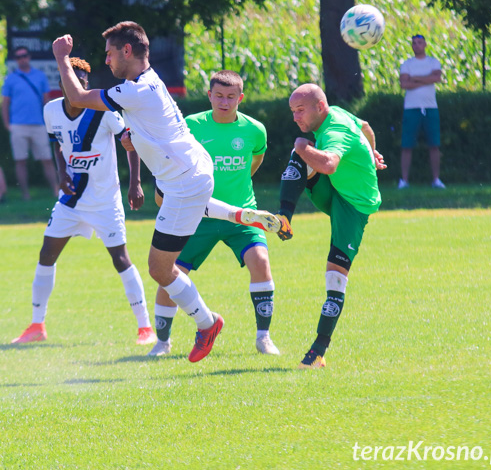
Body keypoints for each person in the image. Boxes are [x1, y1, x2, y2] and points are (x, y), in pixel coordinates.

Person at [52, 22, 280, 363]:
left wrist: (62, 59)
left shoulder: (134, 91)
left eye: (110, 53)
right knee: (186, 208)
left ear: (127, 51)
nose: (107, 60)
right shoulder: (147, 81)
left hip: (183, 181)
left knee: (160, 269)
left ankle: (207, 323)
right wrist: (135, 137)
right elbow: (146, 124)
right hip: (196, 171)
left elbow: (76, 97)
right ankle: (238, 215)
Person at [11, 57, 156, 346]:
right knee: (46, 255)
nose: (75, 84)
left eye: (81, 80)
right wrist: (62, 174)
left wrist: (135, 183)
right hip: (71, 199)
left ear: (86, 84)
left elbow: (130, 143)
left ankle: (145, 328)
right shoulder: (51, 110)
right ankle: (37, 325)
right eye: (70, 79)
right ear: (62, 84)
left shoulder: (104, 111)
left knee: (121, 259)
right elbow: (57, 143)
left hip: (105, 200)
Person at [148, 70, 280, 357]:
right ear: (209, 95)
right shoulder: (190, 127)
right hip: (196, 215)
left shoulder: (255, 129)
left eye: (231, 97)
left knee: (260, 260)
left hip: (243, 215)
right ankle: (162, 343)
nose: (224, 101)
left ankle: (264, 338)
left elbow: (254, 160)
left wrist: (239, 194)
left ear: (240, 98)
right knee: (170, 273)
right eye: (218, 95)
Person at [275, 84, 386, 369]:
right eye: (293, 111)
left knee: (335, 277)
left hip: (353, 206)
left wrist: (303, 146)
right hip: (334, 191)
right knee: (299, 154)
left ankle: (318, 352)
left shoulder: (335, 131)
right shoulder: (336, 113)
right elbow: (367, 127)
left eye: (300, 111)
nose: (295, 117)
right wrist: (373, 153)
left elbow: (330, 164)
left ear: (320, 108)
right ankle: (283, 217)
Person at [1, 46, 58, 200]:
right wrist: (7, 124)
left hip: (38, 124)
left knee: (47, 159)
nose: (22, 59)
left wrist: (50, 121)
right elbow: (5, 103)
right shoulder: (11, 79)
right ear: (16, 60)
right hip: (18, 125)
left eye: (24, 55)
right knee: (20, 161)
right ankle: (25, 194)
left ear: (29, 56)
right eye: (19, 57)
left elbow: (47, 101)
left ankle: (55, 190)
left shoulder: (40, 76)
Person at [398, 34, 445, 189]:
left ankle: (436, 180)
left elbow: (436, 78)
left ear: (425, 44)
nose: (416, 45)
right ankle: (404, 180)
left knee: (434, 145)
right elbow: (404, 84)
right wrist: (426, 78)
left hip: (431, 108)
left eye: (419, 43)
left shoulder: (433, 62)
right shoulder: (406, 64)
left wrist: (415, 78)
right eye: (414, 43)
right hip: (411, 109)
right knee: (407, 145)